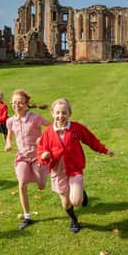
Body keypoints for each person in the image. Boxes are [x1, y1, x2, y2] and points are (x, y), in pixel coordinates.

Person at [38, 98, 114, 233]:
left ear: (69, 114)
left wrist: (104, 150)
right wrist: (44, 155)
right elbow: (42, 148)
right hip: (58, 171)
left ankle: (81, 193)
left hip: (74, 169)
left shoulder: (76, 128)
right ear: (52, 113)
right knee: (66, 203)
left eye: (64, 113)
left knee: (76, 201)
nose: (60, 116)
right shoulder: (48, 132)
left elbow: (91, 140)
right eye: (57, 113)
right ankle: (74, 220)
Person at [5, 89, 50, 230]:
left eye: (20, 103)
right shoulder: (10, 121)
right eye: (14, 103)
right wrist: (8, 143)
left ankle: (43, 176)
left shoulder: (35, 117)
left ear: (26, 103)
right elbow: (9, 135)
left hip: (38, 156)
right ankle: (27, 216)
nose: (17, 105)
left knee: (41, 185)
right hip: (22, 157)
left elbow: (51, 127)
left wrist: (42, 139)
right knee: (22, 183)